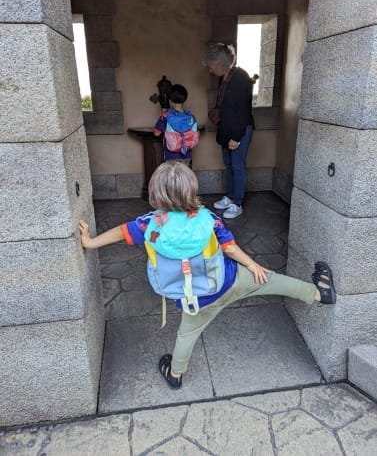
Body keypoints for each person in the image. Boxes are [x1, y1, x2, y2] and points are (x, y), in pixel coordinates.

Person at [79, 162, 336, 390]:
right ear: (191, 189)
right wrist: (254, 265)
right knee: (271, 280)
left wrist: (90, 242)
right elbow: (230, 248)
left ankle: (175, 374)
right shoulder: (208, 219)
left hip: (193, 299)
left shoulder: (149, 223)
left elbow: (121, 232)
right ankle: (319, 293)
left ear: (155, 192)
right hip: (227, 280)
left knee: (186, 335)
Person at [205, 43, 255, 219]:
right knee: (229, 165)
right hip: (227, 130)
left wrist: (236, 137)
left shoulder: (240, 78)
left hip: (239, 131)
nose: (210, 70)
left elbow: (243, 111)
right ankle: (230, 196)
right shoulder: (224, 78)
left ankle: (237, 203)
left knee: (237, 166)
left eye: (211, 66)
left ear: (220, 64)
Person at [153, 84, 199, 165]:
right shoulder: (191, 117)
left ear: (170, 100)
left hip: (171, 155)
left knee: (172, 177)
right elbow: (195, 133)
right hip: (187, 155)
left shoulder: (165, 116)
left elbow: (156, 133)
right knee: (184, 177)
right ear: (184, 99)